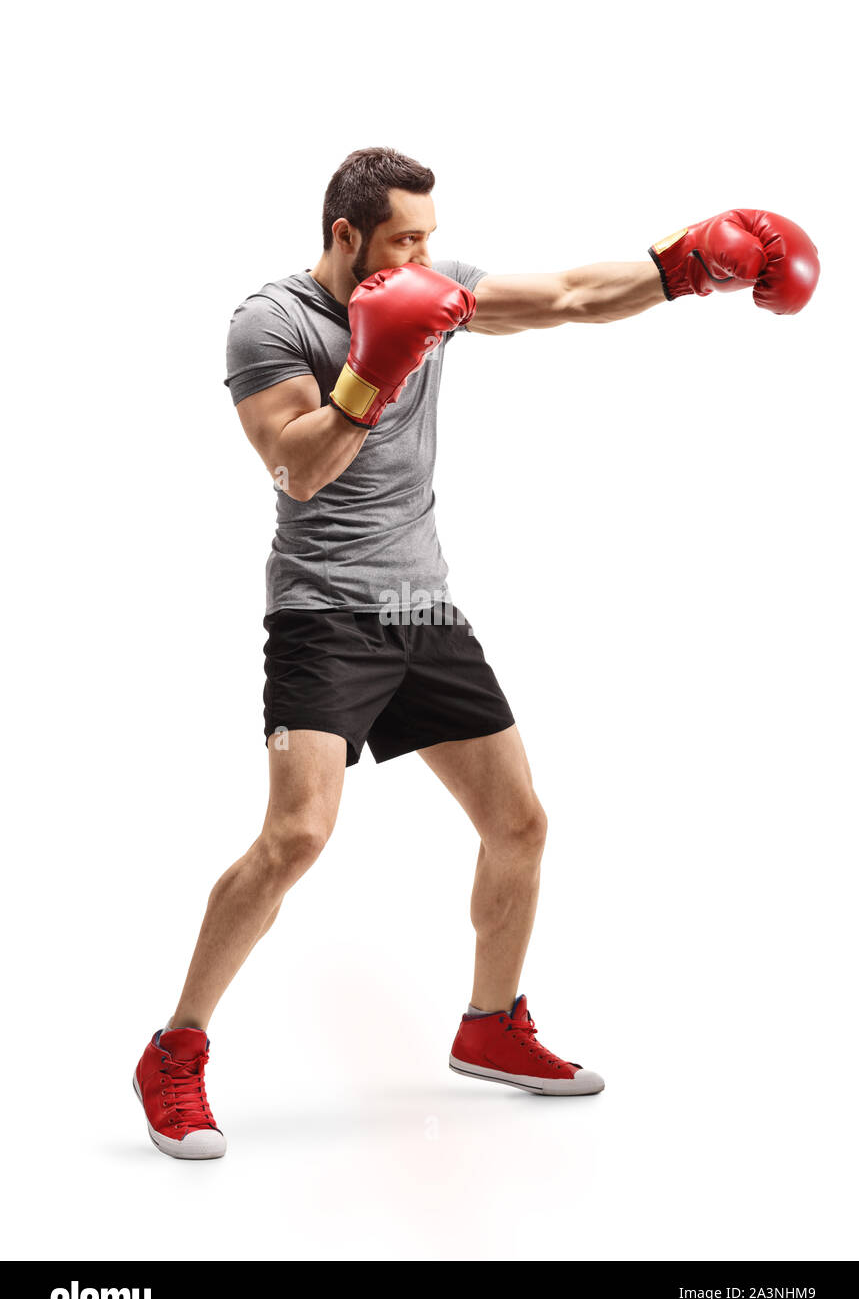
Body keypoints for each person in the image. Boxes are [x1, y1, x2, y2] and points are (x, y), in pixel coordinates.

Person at [132, 147, 819, 1159]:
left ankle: (489, 1024)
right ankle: (174, 1051)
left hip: (422, 605)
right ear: (342, 234)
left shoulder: (434, 289)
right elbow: (296, 468)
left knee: (518, 820)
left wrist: (683, 267)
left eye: (429, 239)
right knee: (297, 836)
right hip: (323, 613)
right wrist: (371, 370)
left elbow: (574, 296)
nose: (422, 258)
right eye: (403, 240)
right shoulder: (268, 322)